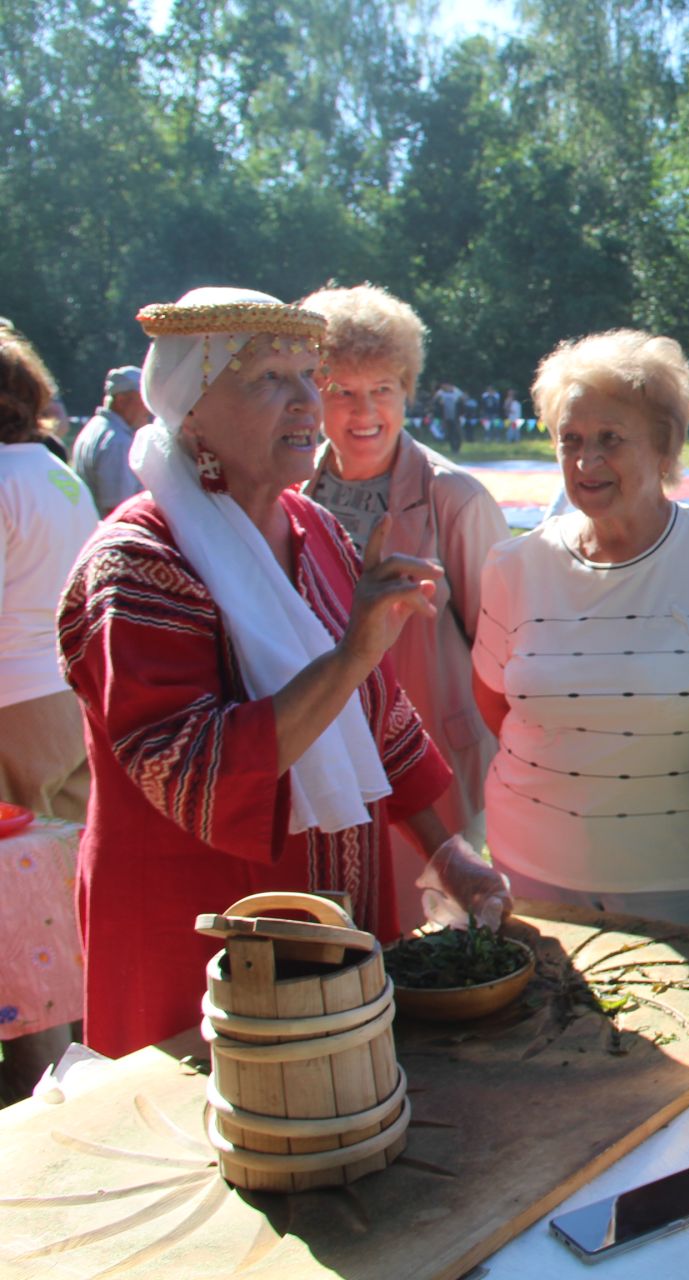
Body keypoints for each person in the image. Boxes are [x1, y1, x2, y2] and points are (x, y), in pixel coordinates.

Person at [57, 288, 510, 1057]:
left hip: (333, 914)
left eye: (311, 375)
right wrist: (351, 654)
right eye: (270, 378)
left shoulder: (315, 528)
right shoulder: (137, 564)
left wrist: (446, 852)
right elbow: (192, 767)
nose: (309, 402)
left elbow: (379, 716)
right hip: (203, 936)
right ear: (191, 407)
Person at [472, 329, 689, 931]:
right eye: (569, 440)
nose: (585, 461)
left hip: (684, 870)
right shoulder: (514, 565)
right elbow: (493, 699)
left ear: (664, 447)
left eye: (609, 440)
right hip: (534, 860)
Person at [301, 284, 510, 928]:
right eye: (342, 391)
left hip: (429, 769)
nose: (365, 411)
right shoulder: (286, 490)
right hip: (314, 756)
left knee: (427, 939)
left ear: (408, 389)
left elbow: (500, 649)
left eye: (383, 389)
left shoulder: (457, 500)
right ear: (314, 393)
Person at [0, 329, 99, 1099]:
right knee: (63, 887)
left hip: (13, 706)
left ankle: (41, 1074)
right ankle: (81, 1048)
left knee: (19, 903)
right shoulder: (57, 474)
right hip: (69, 696)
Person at [71, 366, 152, 516]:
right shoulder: (117, 442)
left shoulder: (94, 427)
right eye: (143, 400)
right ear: (121, 401)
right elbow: (118, 509)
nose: (148, 410)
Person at [433, 380, 465, 453]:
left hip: (456, 417)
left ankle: (457, 448)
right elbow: (435, 400)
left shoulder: (456, 391)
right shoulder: (441, 392)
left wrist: (461, 411)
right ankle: (453, 449)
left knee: (457, 433)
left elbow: (463, 400)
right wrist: (439, 401)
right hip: (446, 417)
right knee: (449, 433)